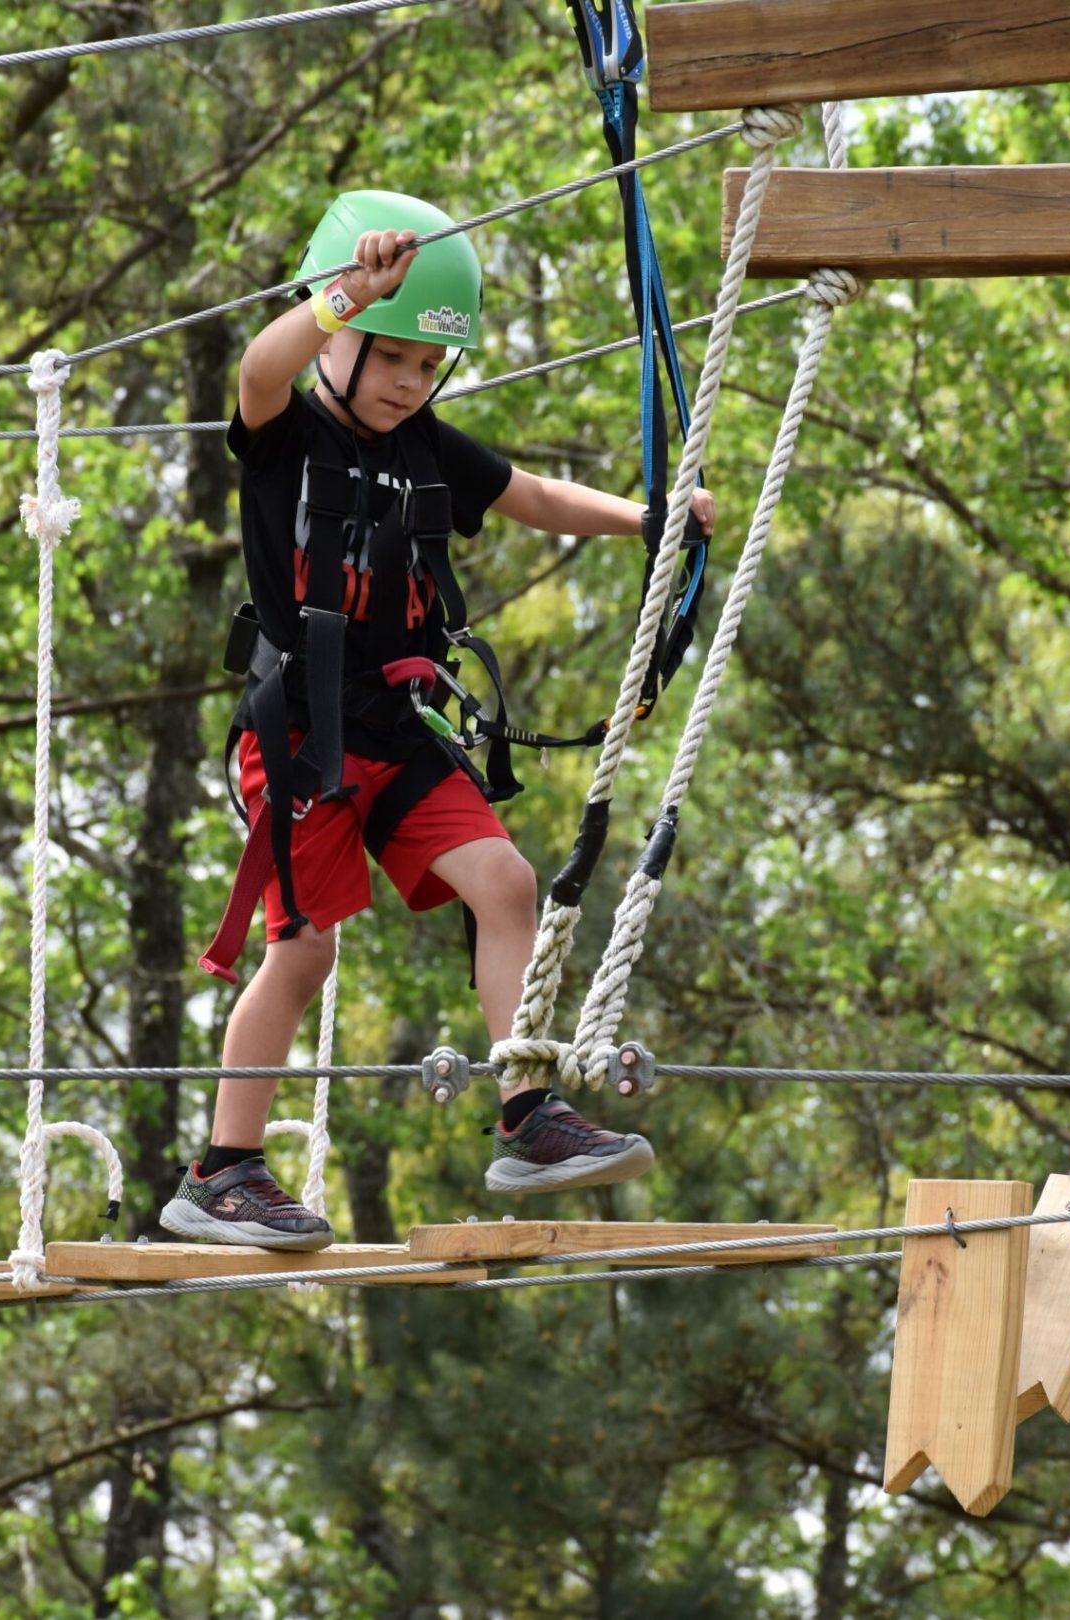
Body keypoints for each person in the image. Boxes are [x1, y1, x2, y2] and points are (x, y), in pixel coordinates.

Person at [163, 191, 714, 1252]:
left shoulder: (425, 444)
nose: (411, 384)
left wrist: (650, 522)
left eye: (430, 366)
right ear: (343, 334)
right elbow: (260, 371)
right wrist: (346, 294)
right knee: (306, 951)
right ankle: (223, 1171)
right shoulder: (286, 430)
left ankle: (528, 1113)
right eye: (394, 357)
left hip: (396, 722)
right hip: (301, 732)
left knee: (504, 880)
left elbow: (537, 495)